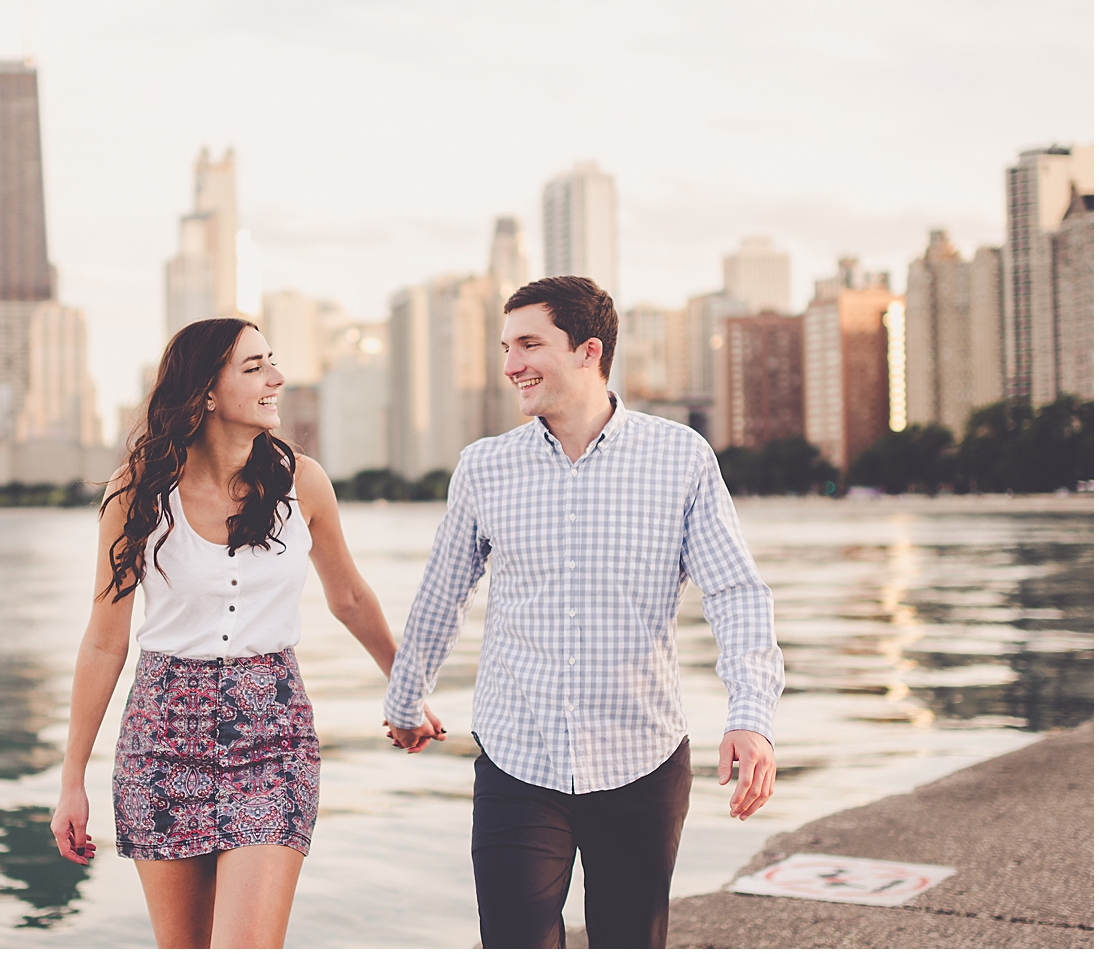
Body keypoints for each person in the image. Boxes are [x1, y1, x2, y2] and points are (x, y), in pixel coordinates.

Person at [383, 275, 783, 950]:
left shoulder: (679, 457)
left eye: (530, 343)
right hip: (518, 758)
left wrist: (751, 715)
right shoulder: (483, 467)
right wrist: (405, 694)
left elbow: (735, 591)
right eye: (506, 346)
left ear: (588, 350)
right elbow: (441, 592)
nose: (511, 364)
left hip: (642, 760)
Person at [52, 316, 442, 949]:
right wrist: (72, 781)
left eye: (273, 362)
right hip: (162, 739)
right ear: (207, 391)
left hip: (273, 737)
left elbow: (348, 596)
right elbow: (104, 641)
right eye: (255, 367)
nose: (277, 378)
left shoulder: (303, 482)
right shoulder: (139, 493)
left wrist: (408, 687)